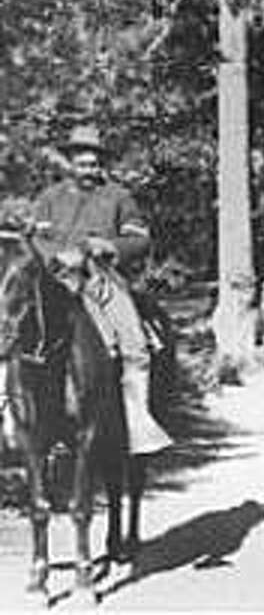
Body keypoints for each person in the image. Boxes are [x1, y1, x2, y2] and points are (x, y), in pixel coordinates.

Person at [31, 125, 171, 455]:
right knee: (16, 332)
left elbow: (141, 239)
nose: (88, 170)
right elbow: (36, 237)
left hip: (101, 279)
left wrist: (108, 245)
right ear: (70, 163)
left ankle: (137, 420)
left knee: (135, 344)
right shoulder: (50, 198)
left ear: (101, 164)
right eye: (82, 164)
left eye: (93, 164)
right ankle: (18, 417)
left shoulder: (118, 197)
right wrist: (55, 255)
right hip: (56, 278)